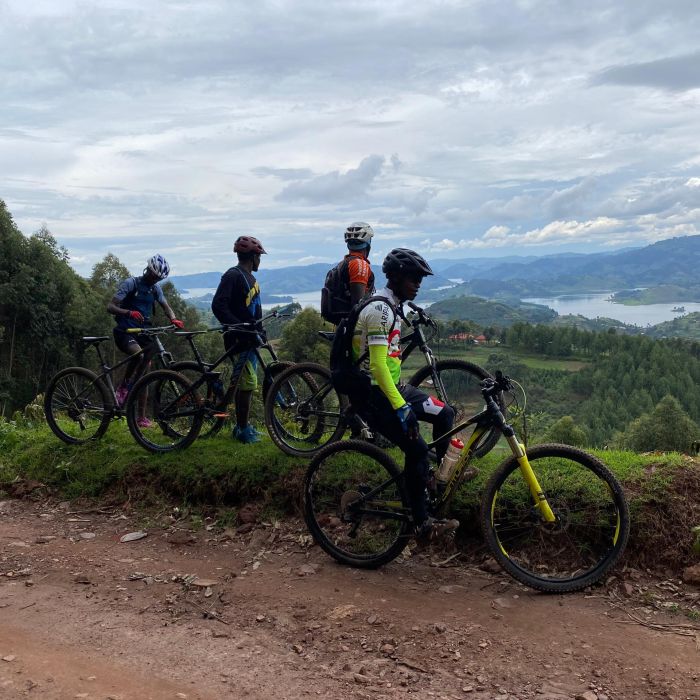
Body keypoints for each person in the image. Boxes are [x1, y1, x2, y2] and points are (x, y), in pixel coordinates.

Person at [350, 248, 457, 539]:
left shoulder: (395, 305)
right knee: (418, 449)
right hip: (377, 396)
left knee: (445, 413)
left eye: (420, 278)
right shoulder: (381, 310)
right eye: (413, 277)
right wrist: (401, 408)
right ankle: (422, 522)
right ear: (396, 277)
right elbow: (376, 366)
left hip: (394, 389)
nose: (418, 283)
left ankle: (429, 481)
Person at [107, 254, 185, 426]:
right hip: (125, 331)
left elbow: (166, 306)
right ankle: (124, 385)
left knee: (145, 376)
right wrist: (128, 312)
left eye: (158, 278)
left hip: (144, 332)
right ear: (148, 270)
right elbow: (111, 306)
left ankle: (141, 417)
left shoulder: (155, 289)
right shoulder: (131, 283)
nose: (154, 279)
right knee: (139, 355)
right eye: (153, 275)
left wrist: (173, 318)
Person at [211, 235, 266, 444]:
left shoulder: (250, 278)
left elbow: (255, 310)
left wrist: (260, 330)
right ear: (252, 257)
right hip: (238, 340)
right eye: (259, 256)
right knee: (247, 383)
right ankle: (242, 429)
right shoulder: (232, 276)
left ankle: (242, 426)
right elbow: (218, 305)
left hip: (250, 339)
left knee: (246, 383)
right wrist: (236, 325)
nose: (260, 260)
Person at [320, 222, 375, 325]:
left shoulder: (343, 263)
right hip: (355, 327)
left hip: (342, 323)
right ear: (368, 243)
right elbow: (358, 304)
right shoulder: (359, 264)